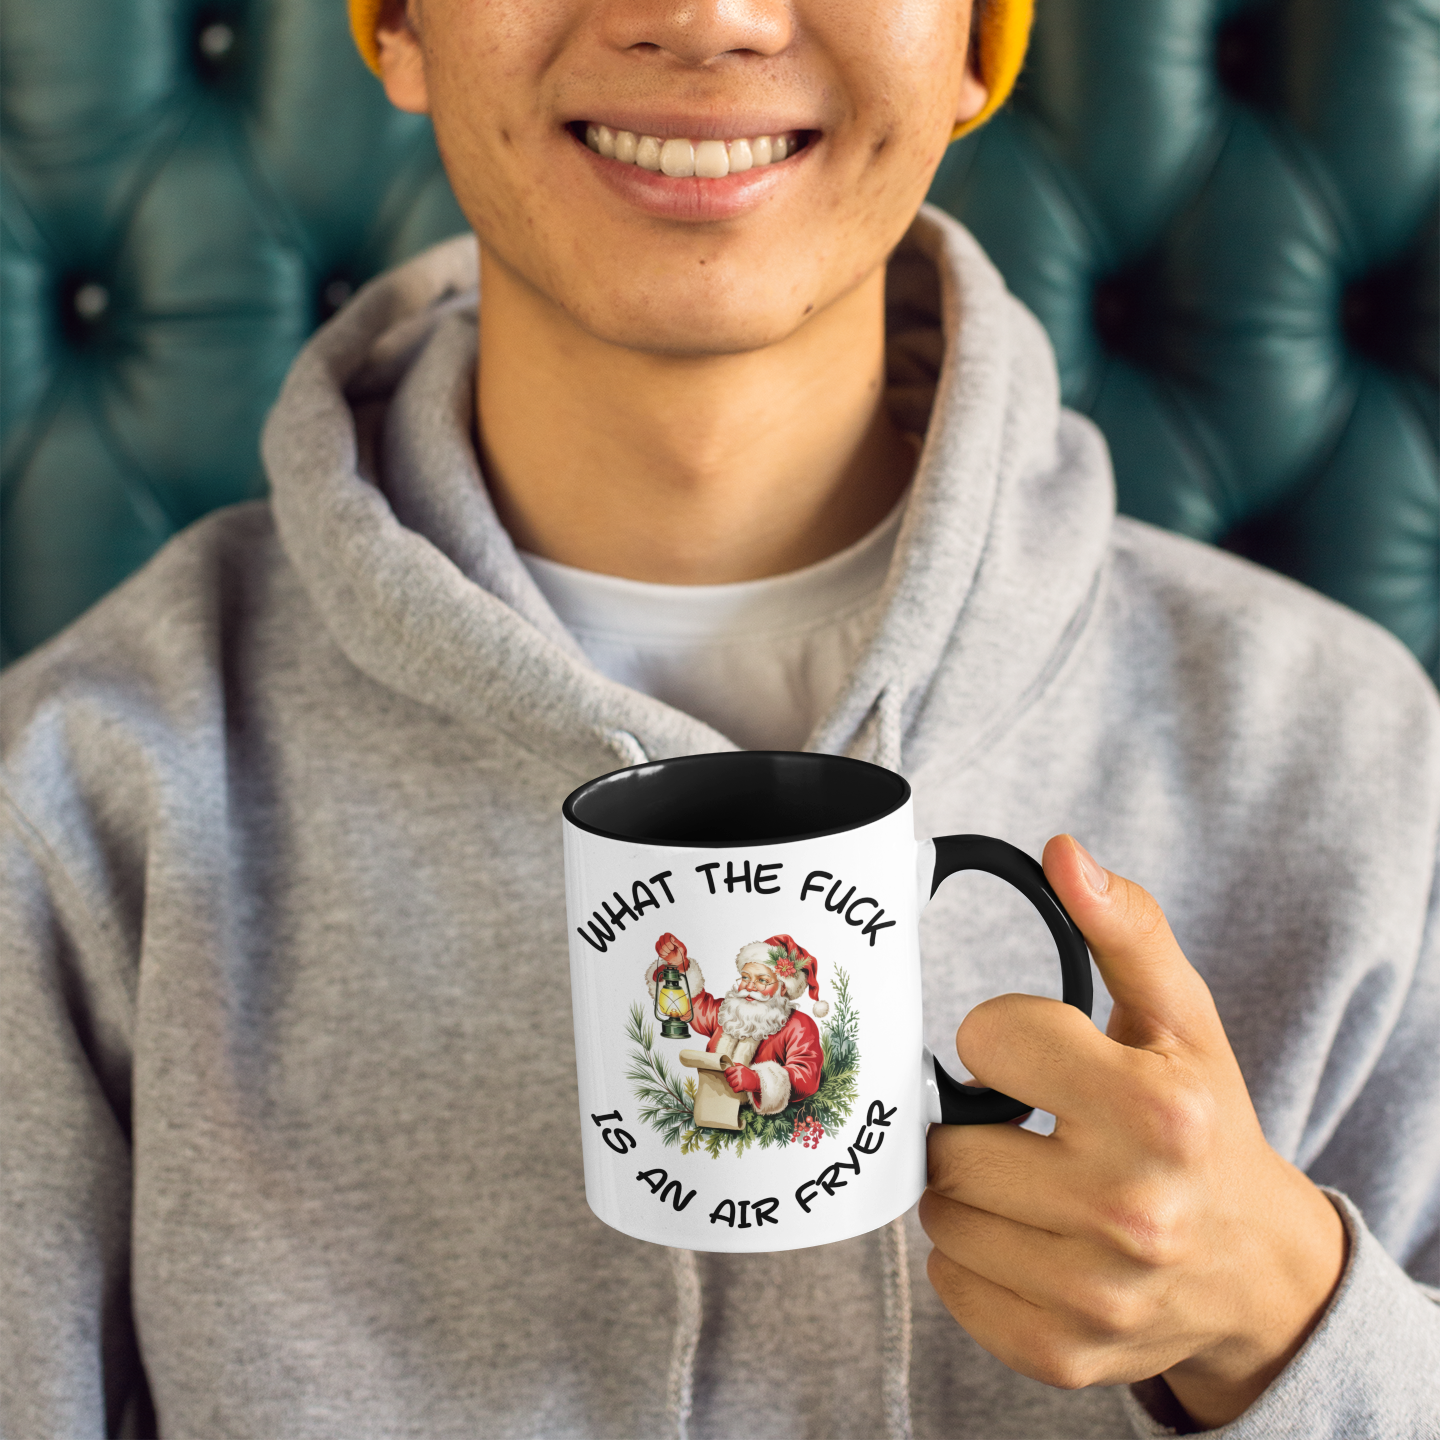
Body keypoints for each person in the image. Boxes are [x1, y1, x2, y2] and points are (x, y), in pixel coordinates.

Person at [1, 0, 1438, 1435]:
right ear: (398, 24)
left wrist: (1289, 1322)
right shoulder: (79, 797)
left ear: (976, 47)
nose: (707, 19)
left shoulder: (1348, 756)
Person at [647, 933, 826, 1112]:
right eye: (746, 977)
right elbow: (693, 1006)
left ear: (783, 987)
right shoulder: (729, 1011)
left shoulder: (799, 1025)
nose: (749, 986)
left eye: (762, 980)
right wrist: (679, 965)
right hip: (712, 1109)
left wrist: (758, 1081)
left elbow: (807, 1076)